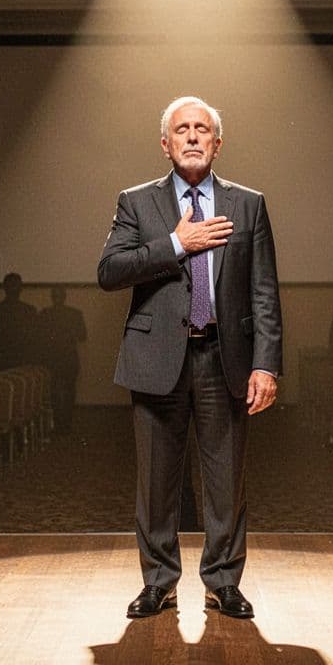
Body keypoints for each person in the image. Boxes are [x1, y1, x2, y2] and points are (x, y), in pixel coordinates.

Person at [98, 96, 282, 621]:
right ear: (166, 144)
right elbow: (109, 271)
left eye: (204, 129)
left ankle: (223, 582)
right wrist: (177, 244)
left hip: (225, 360)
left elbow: (264, 291)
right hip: (157, 361)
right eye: (183, 129)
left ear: (218, 142)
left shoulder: (248, 203)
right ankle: (159, 582)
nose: (194, 136)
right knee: (156, 484)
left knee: (226, 483)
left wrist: (266, 365)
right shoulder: (137, 202)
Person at [37, 286, 86, 434]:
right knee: (66, 391)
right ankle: (65, 423)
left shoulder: (45, 313)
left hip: (53, 358)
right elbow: (83, 336)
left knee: (56, 391)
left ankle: (60, 423)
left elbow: (38, 338)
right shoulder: (75, 313)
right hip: (66, 357)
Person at [0, 273, 38, 369]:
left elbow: (34, 339)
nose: (13, 288)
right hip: (1, 362)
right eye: (11, 285)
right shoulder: (29, 311)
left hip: (18, 363)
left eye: (15, 285)